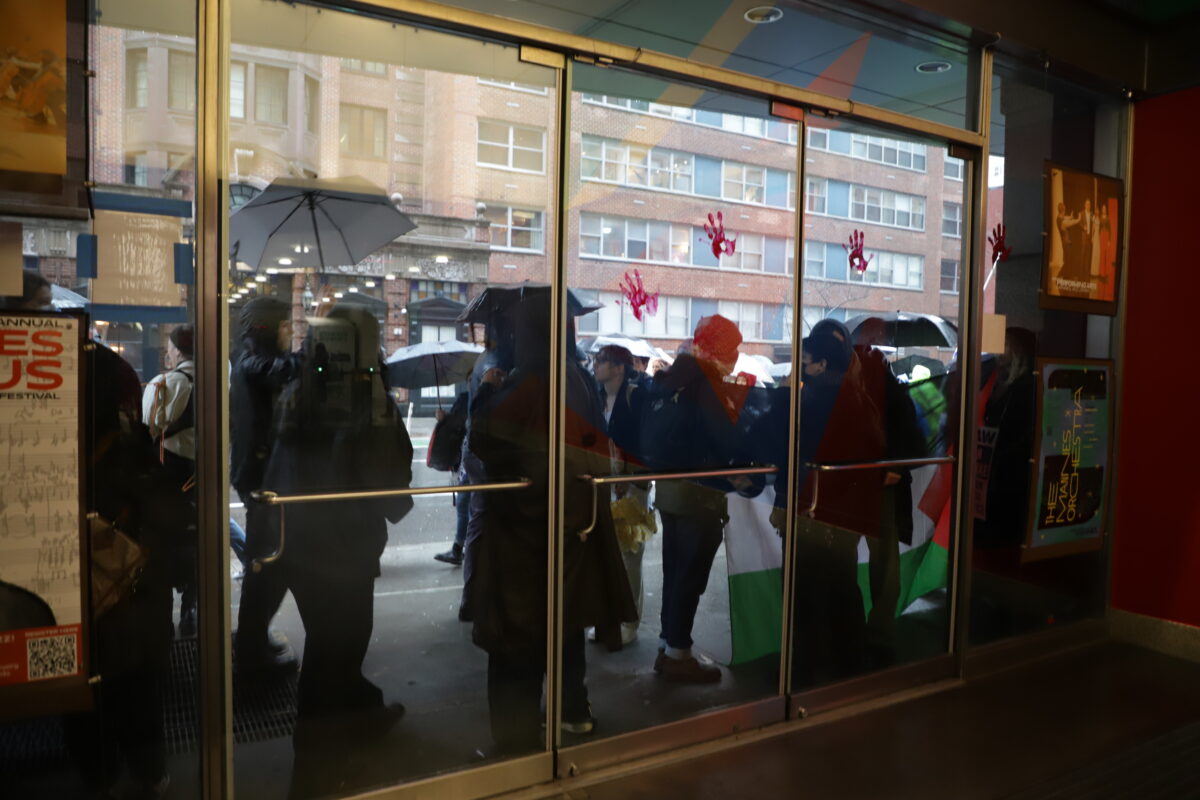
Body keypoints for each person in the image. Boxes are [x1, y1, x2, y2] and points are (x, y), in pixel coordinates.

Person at [467, 289, 634, 751]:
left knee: (514, 642)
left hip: (525, 532)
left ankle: (515, 745)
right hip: (569, 525)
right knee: (565, 626)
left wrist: (485, 393)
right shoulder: (576, 377)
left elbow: (485, 441)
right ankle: (572, 712)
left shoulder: (528, 381)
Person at [642, 314, 750, 683]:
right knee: (691, 574)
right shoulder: (708, 383)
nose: (737, 355)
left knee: (675, 570)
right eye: (732, 348)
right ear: (719, 349)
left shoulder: (675, 376)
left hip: (671, 492)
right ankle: (678, 655)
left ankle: (667, 644)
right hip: (701, 495)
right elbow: (727, 441)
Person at [230, 296, 298, 672]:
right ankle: (251, 648)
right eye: (285, 324)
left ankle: (252, 637)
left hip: (259, 476)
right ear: (268, 327)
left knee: (269, 563)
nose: (291, 330)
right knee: (268, 565)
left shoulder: (249, 359)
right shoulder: (255, 361)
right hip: (262, 482)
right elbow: (283, 371)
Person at [592, 344, 653, 647]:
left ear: (618, 367)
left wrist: (630, 473)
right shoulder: (597, 397)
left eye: (601, 361)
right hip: (605, 483)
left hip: (631, 485)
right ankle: (608, 617)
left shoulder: (635, 396)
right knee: (607, 553)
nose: (595, 365)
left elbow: (646, 441)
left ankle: (629, 620)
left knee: (630, 554)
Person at [142, 325, 199, 637]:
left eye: (169, 346)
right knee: (195, 539)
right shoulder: (216, 381)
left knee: (163, 539)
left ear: (178, 351)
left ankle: (162, 618)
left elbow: (148, 427)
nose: (167, 352)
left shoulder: (165, 382)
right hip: (197, 474)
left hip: (167, 473)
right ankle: (191, 610)